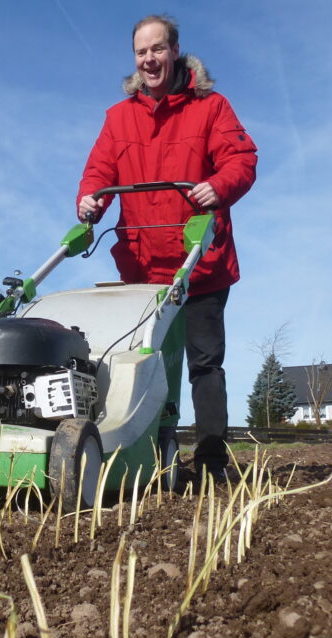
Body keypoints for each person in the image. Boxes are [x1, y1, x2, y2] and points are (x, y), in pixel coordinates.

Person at [78, 14, 257, 484]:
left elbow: (242, 159)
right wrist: (91, 198)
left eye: (157, 49)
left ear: (175, 51)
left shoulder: (211, 107)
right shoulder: (119, 118)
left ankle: (213, 461)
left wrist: (218, 187)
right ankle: (151, 452)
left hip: (201, 262)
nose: (149, 59)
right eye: (141, 52)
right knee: (145, 364)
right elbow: (99, 169)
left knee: (204, 363)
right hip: (142, 269)